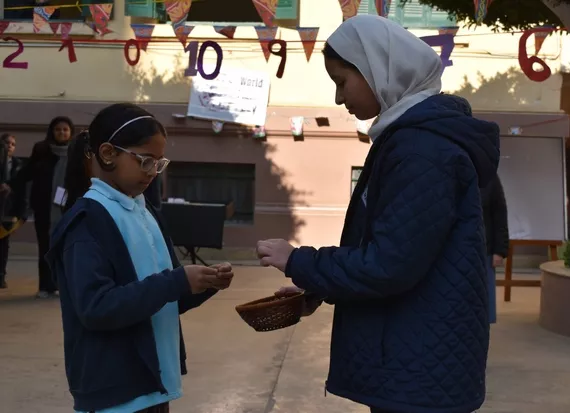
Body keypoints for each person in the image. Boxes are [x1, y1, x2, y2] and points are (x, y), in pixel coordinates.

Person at [256, 15, 500, 413]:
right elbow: (399, 248)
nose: (339, 98)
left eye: (342, 81)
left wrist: (299, 261)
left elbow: (390, 265)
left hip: (418, 364)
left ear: (376, 70)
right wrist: (320, 286)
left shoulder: (421, 150)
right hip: (415, 357)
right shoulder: (409, 139)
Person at [45, 103, 235, 413]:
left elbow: (164, 296)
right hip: (115, 390)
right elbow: (96, 307)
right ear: (108, 153)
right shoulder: (87, 221)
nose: (152, 172)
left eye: (158, 163)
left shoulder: (146, 213)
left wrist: (203, 283)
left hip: (153, 381)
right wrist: (176, 282)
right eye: (145, 160)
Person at [4, 116, 75, 298]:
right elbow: (27, 172)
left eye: (65, 129)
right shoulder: (42, 150)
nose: (61, 132)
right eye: (58, 129)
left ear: (70, 132)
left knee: (64, 248)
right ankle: (45, 286)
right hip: (44, 207)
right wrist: (10, 184)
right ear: (52, 131)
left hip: (67, 208)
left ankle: (60, 285)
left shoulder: (76, 152)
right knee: (45, 247)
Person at [480, 174, 509, 324]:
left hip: (486, 249)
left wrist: (499, 250)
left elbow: (500, 215)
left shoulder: (490, 177)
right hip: (458, 249)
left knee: (485, 300)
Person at [0, 133, 28, 288]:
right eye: (6, 143)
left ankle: (1, 276)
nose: (9, 146)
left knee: (3, 245)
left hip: (8, 211)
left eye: (12, 144)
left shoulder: (19, 165)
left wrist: (21, 214)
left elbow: (23, 191)